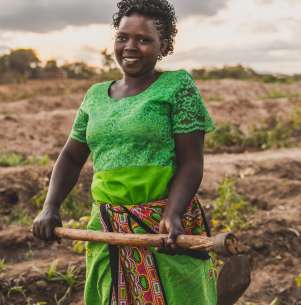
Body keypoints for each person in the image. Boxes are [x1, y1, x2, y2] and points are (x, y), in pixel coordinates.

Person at [32, 0, 217, 304]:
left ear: (164, 45)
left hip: (161, 228)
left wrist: (173, 213)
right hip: (107, 228)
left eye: (143, 39)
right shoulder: (95, 95)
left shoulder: (177, 86)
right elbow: (71, 156)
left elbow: (191, 162)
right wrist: (50, 206)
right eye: (123, 37)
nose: (130, 46)